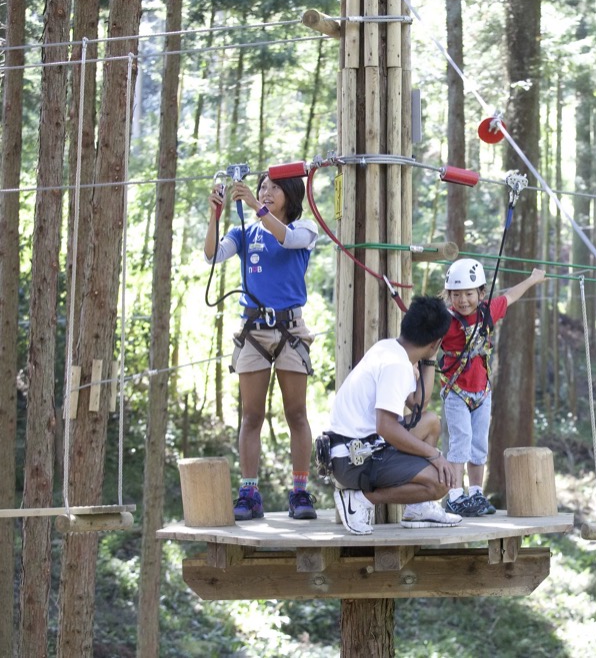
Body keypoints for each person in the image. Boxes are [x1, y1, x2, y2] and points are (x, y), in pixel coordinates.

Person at [204, 172, 320, 521]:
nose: (265, 192)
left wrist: (256, 208)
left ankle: (300, 491)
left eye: (273, 187)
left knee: (296, 414)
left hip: (290, 328)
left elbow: (285, 238)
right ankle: (249, 492)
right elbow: (212, 256)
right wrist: (214, 217)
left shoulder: (304, 231)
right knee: (251, 415)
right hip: (254, 328)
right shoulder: (244, 233)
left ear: (290, 194)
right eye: (262, 187)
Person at [325, 295, 462, 535]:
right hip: (353, 460)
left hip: (359, 447)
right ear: (436, 342)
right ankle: (361, 500)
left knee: (431, 423)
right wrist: (435, 455)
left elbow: (418, 402)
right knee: (441, 483)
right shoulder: (396, 366)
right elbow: (386, 427)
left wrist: (429, 360)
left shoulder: (390, 349)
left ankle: (418, 508)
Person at [438, 259, 546, 517]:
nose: (462, 300)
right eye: (456, 294)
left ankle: (475, 492)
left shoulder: (488, 312)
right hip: (456, 392)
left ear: (481, 293)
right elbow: (425, 341)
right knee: (460, 441)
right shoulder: (445, 321)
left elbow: (510, 296)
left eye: (468, 293)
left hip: (482, 392)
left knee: (478, 445)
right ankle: (454, 494)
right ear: (448, 295)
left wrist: (532, 280)